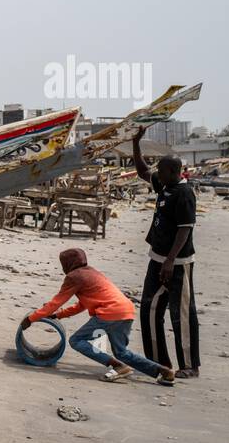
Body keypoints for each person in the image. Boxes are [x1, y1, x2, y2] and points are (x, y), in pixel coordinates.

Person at [20, 248, 175, 386]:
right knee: (122, 352)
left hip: (109, 313)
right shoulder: (92, 272)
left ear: (67, 263)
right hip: (126, 310)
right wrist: (60, 315)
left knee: (76, 341)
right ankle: (164, 372)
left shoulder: (74, 276)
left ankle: (117, 366)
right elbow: (81, 305)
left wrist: (31, 318)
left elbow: (55, 302)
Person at [132, 129, 200, 378]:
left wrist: (171, 261)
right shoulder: (165, 185)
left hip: (178, 264)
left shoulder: (184, 194)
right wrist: (135, 144)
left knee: (181, 314)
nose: (156, 174)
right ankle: (158, 362)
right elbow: (142, 172)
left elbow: (185, 229)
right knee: (149, 309)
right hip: (157, 259)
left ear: (174, 172)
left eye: (161, 171)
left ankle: (190, 366)